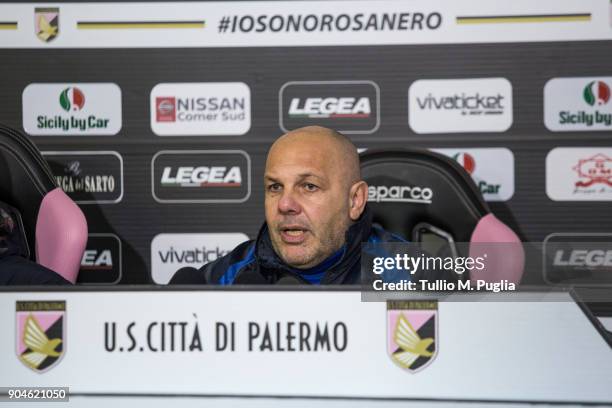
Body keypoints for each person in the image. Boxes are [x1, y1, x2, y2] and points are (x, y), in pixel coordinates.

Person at [170, 125, 405, 285]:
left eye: (309, 186)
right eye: (275, 187)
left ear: (355, 200)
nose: (285, 204)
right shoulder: (233, 275)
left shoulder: (411, 275)